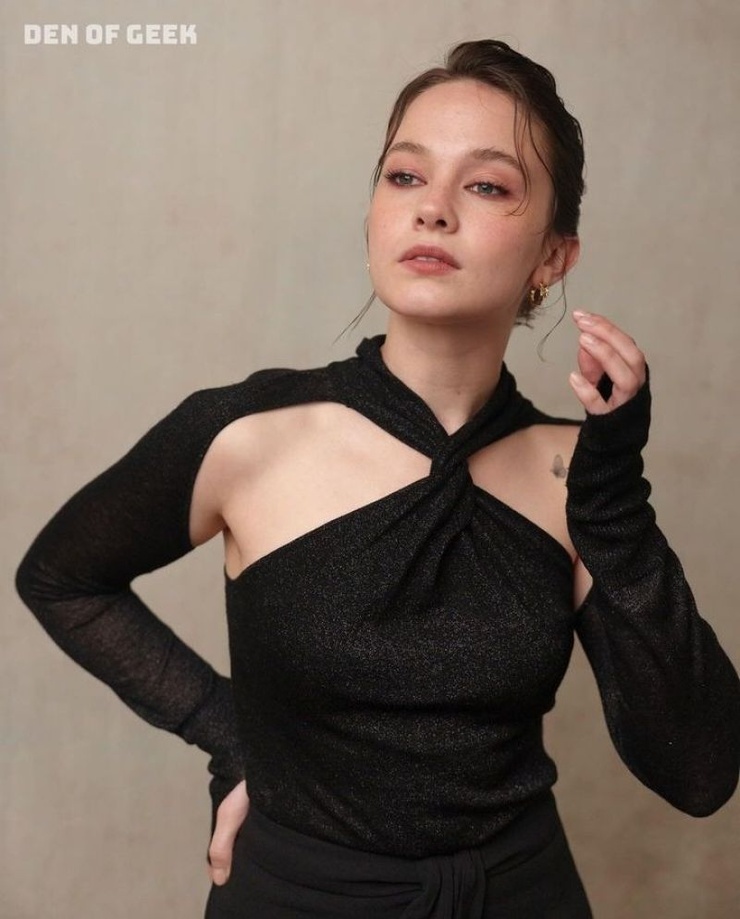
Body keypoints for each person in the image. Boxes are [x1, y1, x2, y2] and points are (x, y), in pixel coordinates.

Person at [15, 39, 740, 919]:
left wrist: (614, 493)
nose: (432, 208)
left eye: (487, 185)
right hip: (296, 896)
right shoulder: (248, 434)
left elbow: (701, 770)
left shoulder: (577, 476)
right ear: (371, 218)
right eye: (405, 176)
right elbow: (61, 577)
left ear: (553, 257)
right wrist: (229, 734)